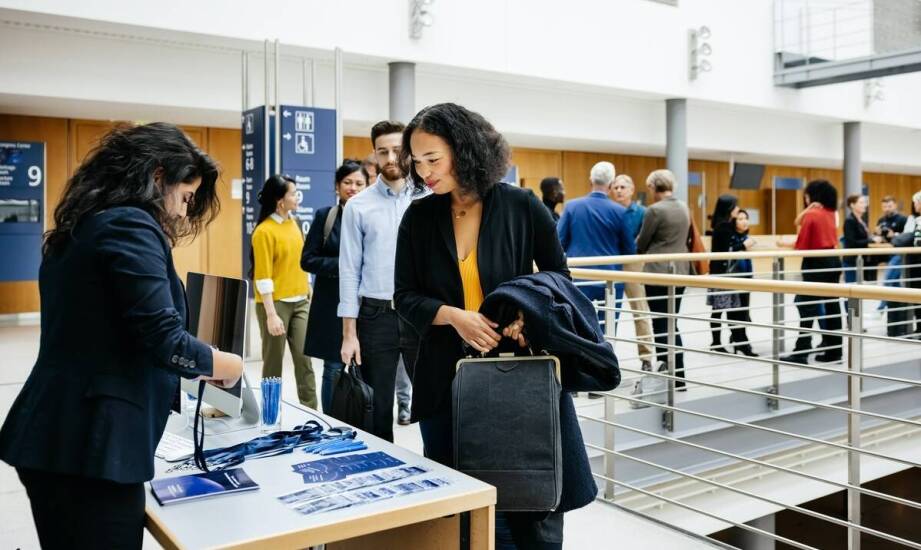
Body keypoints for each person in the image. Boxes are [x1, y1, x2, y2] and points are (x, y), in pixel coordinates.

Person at [0, 123, 244, 548]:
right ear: (157, 176)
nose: (185, 213)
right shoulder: (129, 226)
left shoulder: (87, 225)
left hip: (63, 438)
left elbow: (116, 332)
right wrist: (226, 364)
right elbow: (163, 337)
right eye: (186, 197)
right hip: (91, 446)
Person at [395, 103, 580, 549]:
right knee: (457, 502)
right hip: (446, 379)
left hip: (518, 377)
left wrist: (524, 315)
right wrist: (453, 317)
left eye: (433, 160)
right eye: (417, 163)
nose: (424, 173)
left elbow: (560, 279)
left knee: (526, 501)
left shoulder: (521, 205)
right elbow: (404, 297)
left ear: (465, 150)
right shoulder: (419, 217)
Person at [339, 120, 423, 440]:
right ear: (373, 155)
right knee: (375, 408)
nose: (391, 158)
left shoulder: (428, 198)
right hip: (376, 316)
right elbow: (349, 271)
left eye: (398, 151)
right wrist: (349, 333)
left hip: (420, 313)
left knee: (432, 402)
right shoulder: (358, 206)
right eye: (383, 151)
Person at [302, 160, 368, 412]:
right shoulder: (325, 217)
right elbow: (307, 260)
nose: (353, 188)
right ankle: (331, 421)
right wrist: (345, 265)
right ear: (338, 186)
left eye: (359, 183)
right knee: (333, 368)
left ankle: (361, 422)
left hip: (369, 305)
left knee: (367, 368)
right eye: (347, 183)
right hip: (333, 304)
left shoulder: (371, 217)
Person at [251, 175, 317, 409]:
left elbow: (299, 264)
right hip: (275, 305)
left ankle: (312, 414)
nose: (296, 197)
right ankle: (271, 414)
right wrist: (271, 314)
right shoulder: (263, 232)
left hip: (300, 302)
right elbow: (263, 277)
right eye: (292, 193)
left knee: (305, 362)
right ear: (280, 200)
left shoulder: (295, 224)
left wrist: (308, 291)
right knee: (273, 364)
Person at [557, 162, 635, 333]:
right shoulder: (620, 212)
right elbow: (630, 249)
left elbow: (558, 241)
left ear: (590, 180)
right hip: (610, 279)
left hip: (578, 276)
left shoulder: (572, 206)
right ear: (611, 184)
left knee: (577, 326)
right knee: (608, 330)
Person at [635, 169, 691, 388]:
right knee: (671, 323)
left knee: (660, 323)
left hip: (658, 273)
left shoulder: (655, 211)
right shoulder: (683, 207)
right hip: (681, 273)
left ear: (652, 187)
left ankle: (670, 374)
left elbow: (642, 242)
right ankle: (679, 374)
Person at [777, 180, 842, 364]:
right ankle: (835, 351)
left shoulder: (813, 214)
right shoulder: (830, 213)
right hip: (833, 261)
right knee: (833, 307)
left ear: (812, 196)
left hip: (816, 263)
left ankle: (801, 352)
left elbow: (802, 246)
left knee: (807, 307)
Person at [612, 174, 656, 369]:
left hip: (633, 263)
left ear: (631, 190)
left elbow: (646, 238)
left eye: (623, 187)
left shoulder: (642, 212)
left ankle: (646, 357)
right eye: (616, 187)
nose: (619, 190)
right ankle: (606, 357)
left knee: (639, 310)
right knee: (610, 312)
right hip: (611, 263)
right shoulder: (610, 210)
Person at [708, 195, 758, 356]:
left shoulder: (724, 226)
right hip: (723, 275)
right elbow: (726, 252)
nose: (738, 209)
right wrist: (743, 245)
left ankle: (734, 341)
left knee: (728, 310)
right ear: (729, 208)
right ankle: (717, 342)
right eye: (736, 207)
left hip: (726, 275)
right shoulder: (723, 227)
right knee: (721, 309)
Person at [875, 196, 908, 313]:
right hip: (886, 254)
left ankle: (881, 308)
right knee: (895, 284)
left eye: (889, 206)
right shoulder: (881, 220)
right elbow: (877, 236)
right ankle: (904, 308)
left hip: (899, 254)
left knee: (888, 278)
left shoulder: (903, 219)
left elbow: (907, 236)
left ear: (895, 205)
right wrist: (878, 235)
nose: (887, 209)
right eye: (884, 206)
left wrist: (894, 235)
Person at [843, 194, 882, 283]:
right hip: (852, 260)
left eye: (865, 202)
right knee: (852, 288)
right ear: (852, 205)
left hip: (860, 259)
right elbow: (852, 242)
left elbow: (862, 237)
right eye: (861, 202)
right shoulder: (850, 220)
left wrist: (875, 234)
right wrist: (872, 240)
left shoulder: (861, 220)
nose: (865, 205)